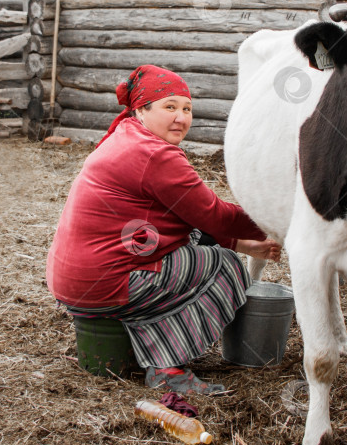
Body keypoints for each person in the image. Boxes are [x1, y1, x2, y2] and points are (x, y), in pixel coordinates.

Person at [46, 64, 280, 394]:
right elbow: (215, 215)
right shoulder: (155, 155)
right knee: (224, 267)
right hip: (105, 283)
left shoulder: (125, 134)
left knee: (201, 242)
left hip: (74, 278)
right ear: (141, 109)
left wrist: (247, 244)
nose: (181, 118)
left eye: (187, 109)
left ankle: (141, 334)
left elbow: (195, 219)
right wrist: (279, 224)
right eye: (169, 107)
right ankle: (167, 368)